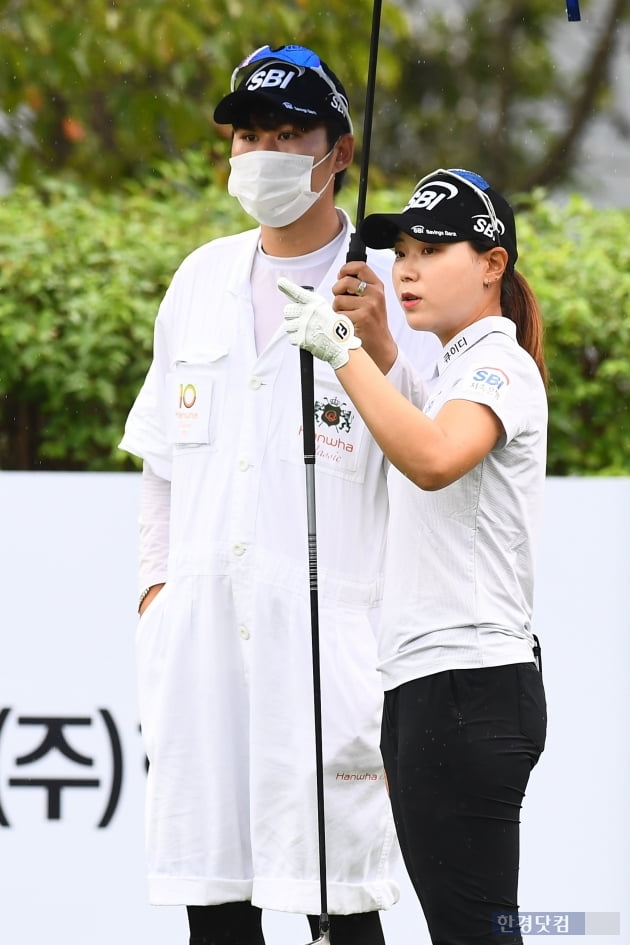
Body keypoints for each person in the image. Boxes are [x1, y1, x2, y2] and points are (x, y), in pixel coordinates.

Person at [119, 44, 440, 945]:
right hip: (204, 640)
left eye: (288, 133)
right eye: (248, 134)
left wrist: (376, 347)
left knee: (341, 906)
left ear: (338, 152)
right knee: (215, 906)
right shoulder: (200, 280)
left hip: (331, 642)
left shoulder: (389, 292)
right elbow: (163, 473)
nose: (262, 152)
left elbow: (429, 456)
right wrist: (156, 600)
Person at [278, 167, 548, 945]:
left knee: (475, 934)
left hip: (468, 686)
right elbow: (425, 421)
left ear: (493, 263)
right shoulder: (453, 367)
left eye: (432, 249)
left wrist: (340, 351)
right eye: (403, 251)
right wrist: (380, 346)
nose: (408, 268)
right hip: (435, 689)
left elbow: (432, 455)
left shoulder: (499, 364)